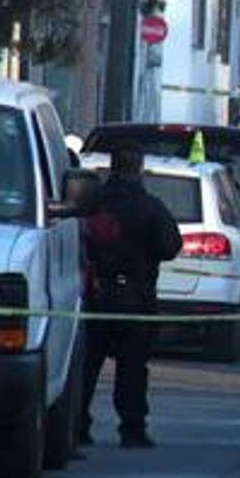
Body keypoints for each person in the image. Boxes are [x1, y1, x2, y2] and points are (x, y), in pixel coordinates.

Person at [80, 144, 183, 448]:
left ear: (112, 168)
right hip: (136, 297)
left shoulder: (92, 204)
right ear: (138, 169)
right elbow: (169, 246)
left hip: (95, 294)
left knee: (86, 365)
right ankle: (132, 427)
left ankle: (78, 424)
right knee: (133, 368)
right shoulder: (150, 206)